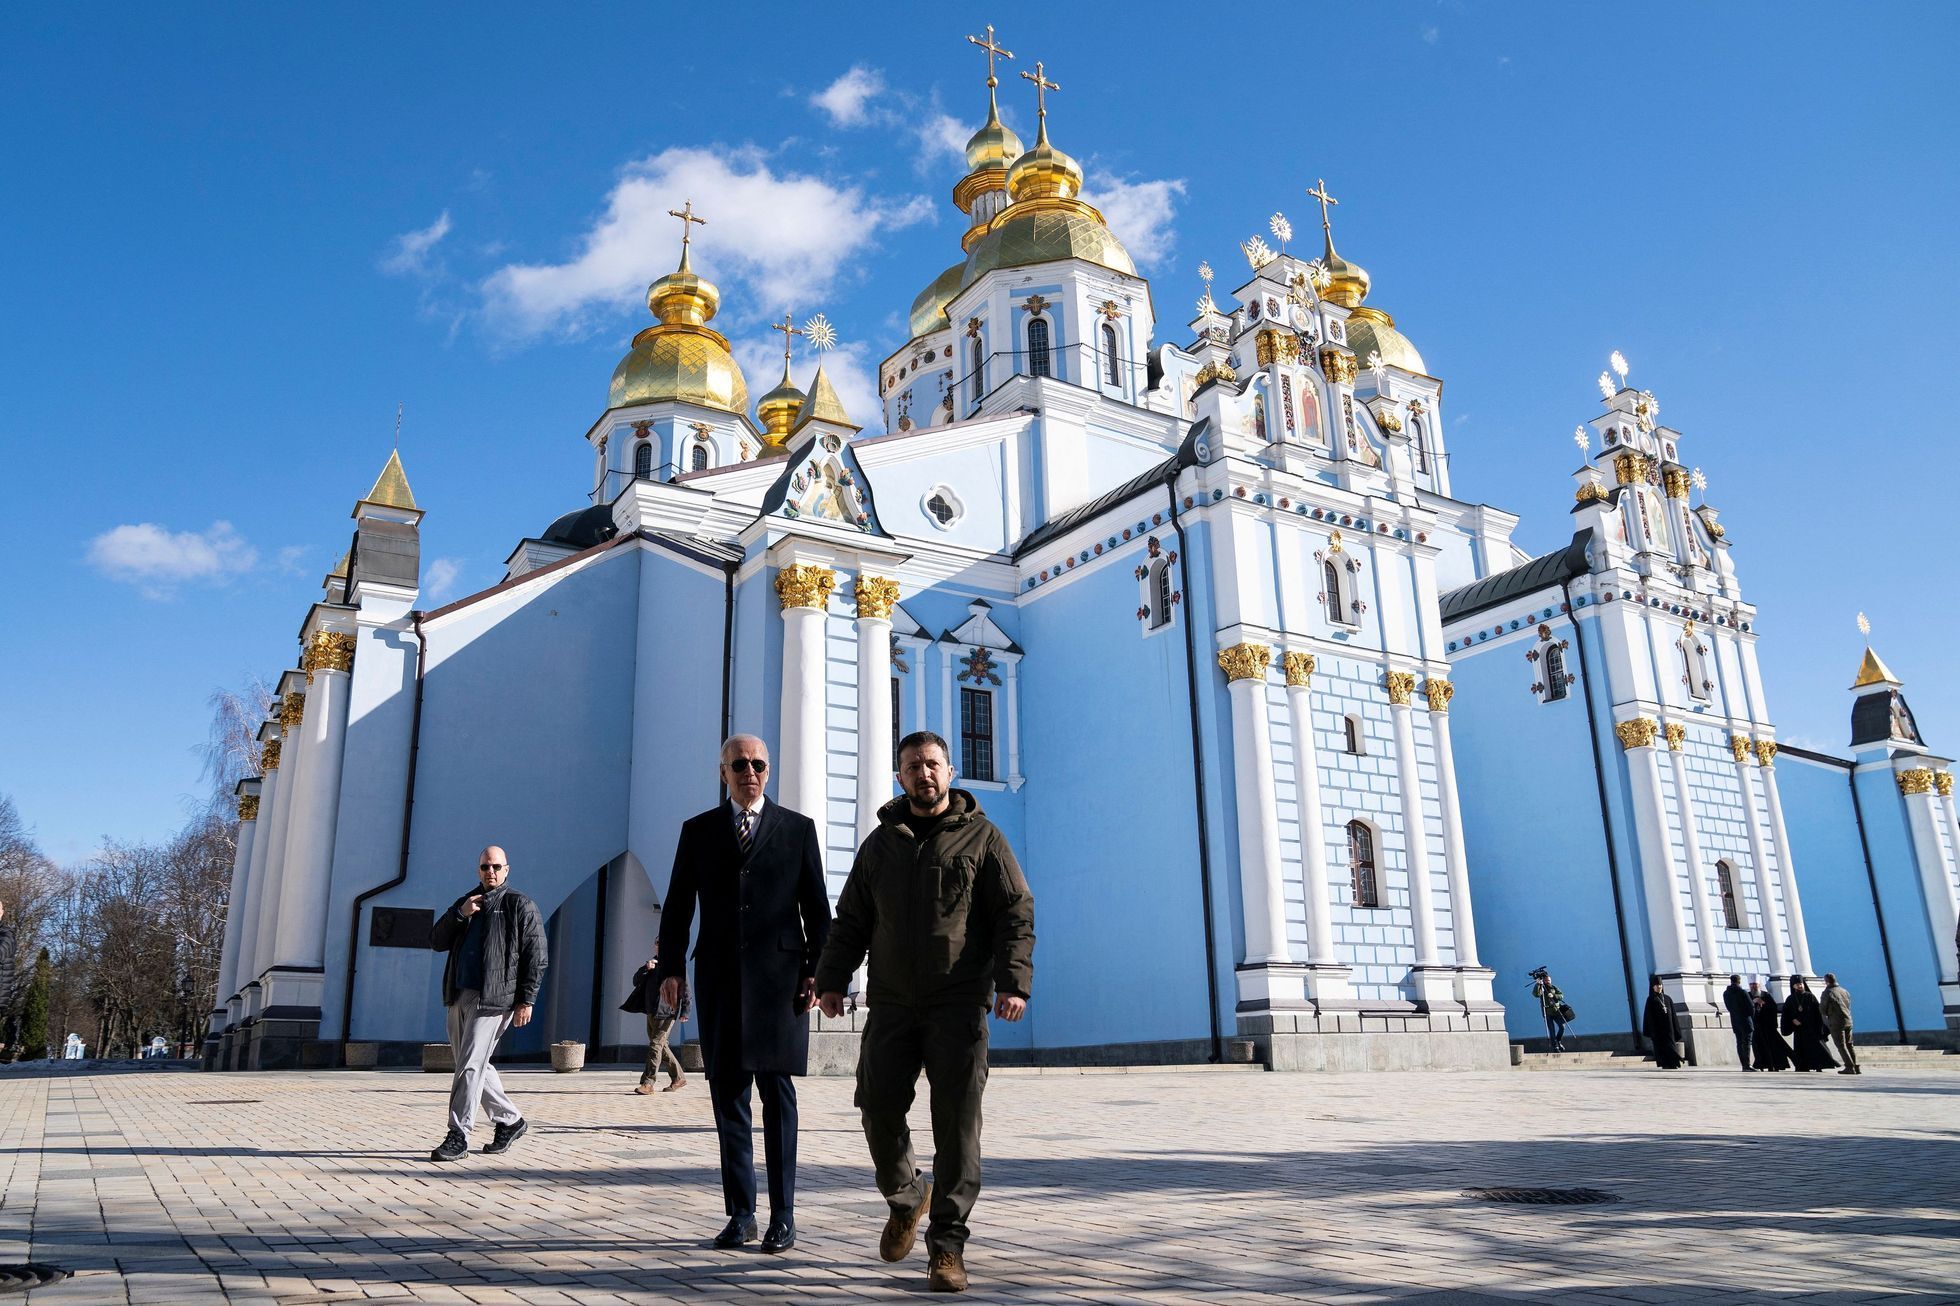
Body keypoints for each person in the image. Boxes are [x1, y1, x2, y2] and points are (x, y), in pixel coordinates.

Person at [816, 730, 1035, 1295]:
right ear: (900, 775)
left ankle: (947, 1249)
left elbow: (1014, 911)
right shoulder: (880, 844)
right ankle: (908, 1195)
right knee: (878, 1108)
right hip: (890, 1001)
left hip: (957, 1002)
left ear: (951, 771)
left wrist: (1014, 982)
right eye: (913, 766)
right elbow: (851, 921)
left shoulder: (984, 839)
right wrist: (832, 980)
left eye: (933, 764)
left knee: (957, 1129)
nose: (924, 774)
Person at [656, 735, 831, 1255]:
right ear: (723, 771)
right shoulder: (699, 830)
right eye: (739, 765)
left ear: (768, 771)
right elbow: (677, 905)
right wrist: (670, 968)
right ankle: (741, 1214)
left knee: (777, 1099)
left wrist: (817, 971)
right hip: (719, 979)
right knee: (728, 1097)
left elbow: (817, 910)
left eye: (757, 764)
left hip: (781, 986)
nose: (749, 772)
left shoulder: (798, 829)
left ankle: (783, 1215)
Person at [427, 845, 548, 1162]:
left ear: (507, 869)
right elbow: (437, 941)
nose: (490, 872)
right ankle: (510, 1120)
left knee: (469, 1064)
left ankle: (458, 1135)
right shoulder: (468, 903)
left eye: (496, 866)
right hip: (459, 994)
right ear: (478, 869)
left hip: (494, 997)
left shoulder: (519, 905)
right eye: (484, 867)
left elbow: (537, 958)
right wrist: (459, 914)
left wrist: (527, 1000)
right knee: (472, 1064)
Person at [626, 940, 688, 1095]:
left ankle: (648, 1083)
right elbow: (635, 981)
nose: (659, 945)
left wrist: (686, 1011)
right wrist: (646, 969)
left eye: (662, 943)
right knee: (661, 1046)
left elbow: (686, 988)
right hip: (651, 1010)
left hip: (668, 1011)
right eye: (657, 943)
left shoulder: (675, 965)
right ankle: (679, 1077)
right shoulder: (652, 963)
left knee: (655, 1045)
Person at [1781, 975, 1837, 1072]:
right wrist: (1792, 1020)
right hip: (1799, 1030)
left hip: (1811, 1028)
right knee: (1800, 1049)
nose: (1800, 986)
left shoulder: (1810, 996)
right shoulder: (1790, 999)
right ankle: (1802, 1066)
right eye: (1797, 984)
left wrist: (1810, 1023)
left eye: (1801, 984)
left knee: (1816, 1048)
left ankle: (1819, 1066)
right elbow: (1786, 1014)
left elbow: (1817, 1012)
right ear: (1793, 986)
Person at [1820, 973, 1859, 1075]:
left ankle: (1849, 1067)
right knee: (1850, 1044)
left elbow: (1823, 1009)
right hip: (1848, 1020)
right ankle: (1856, 1066)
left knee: (1841, 1045)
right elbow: (1848, 1004)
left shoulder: (1828, 992)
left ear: (1827, 981)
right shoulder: (1844, 991)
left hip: (1836, 1021)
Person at [1642, 975, 1682, 1069]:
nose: (1659, 987)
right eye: (1657, 985)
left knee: (1671, 1045)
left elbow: (1673, 1015)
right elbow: (1649, 1017)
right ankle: (1665, 1063)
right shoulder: (1651, 1000)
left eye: (1660, 985)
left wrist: (1676, 1028)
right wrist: (1653, 1031)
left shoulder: (1668, 998)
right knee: (1662, 1047)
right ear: (1653, 987)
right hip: (1658, 1029)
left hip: (1670, 1028)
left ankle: (1674, 1062)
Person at [1751, 983, 1793, 1071]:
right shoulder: (1748, 995)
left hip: (1767, 1026)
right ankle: (1761, 1065)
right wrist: (1753, 1002)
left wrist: (1763, 1003)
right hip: (1756, 1026)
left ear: (1759, 985)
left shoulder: (1766, 995)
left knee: (1773, 1047)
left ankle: (1775, 1065)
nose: (1753, 987)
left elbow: (1773, 1008)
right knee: (1759, 1047)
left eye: (1755, 985)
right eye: (1751, 985)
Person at [1529, 967, 1568, 1051]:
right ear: (1543, 981)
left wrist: (1554, 996)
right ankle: (1555, 1046)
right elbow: (1536, 994)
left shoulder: (1554, 987)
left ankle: (1558, 1040)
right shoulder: (1541, 987)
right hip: (1547, 1012)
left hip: (1557, 1011)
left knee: (1562, 1027)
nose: (1547, 982)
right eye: (1546, 980)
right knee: (1552, 1030)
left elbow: (1561, 995)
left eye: (1549, 980)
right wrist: (1538, 984)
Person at [1721, 974, 1755, 1071]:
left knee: (1739, 1043)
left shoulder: (1726, 993)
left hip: (1735, 1020)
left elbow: (1728, 1007)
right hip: (1746, 1020)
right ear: (1739, 981)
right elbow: (1751, 1006)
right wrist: (1752, 1017)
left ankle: (1743, 1065)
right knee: (1747, 1043)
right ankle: (1747, 1065)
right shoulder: (1742, 992)